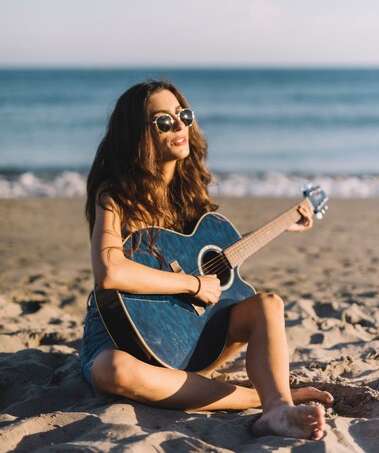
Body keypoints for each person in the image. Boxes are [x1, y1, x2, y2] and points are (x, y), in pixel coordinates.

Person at [80, 80, 332, 440]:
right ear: (136, 133)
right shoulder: (115, 195)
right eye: (163, 121)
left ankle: (275, 411)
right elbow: (109, 271)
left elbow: (214, 255)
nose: (180, 126)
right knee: (114, 372)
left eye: (183, 115)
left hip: (187, 335)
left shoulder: (188, 191)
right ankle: (259, 397)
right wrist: (192, 284)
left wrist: (286, 223)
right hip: (120, 337)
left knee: (268, 304)